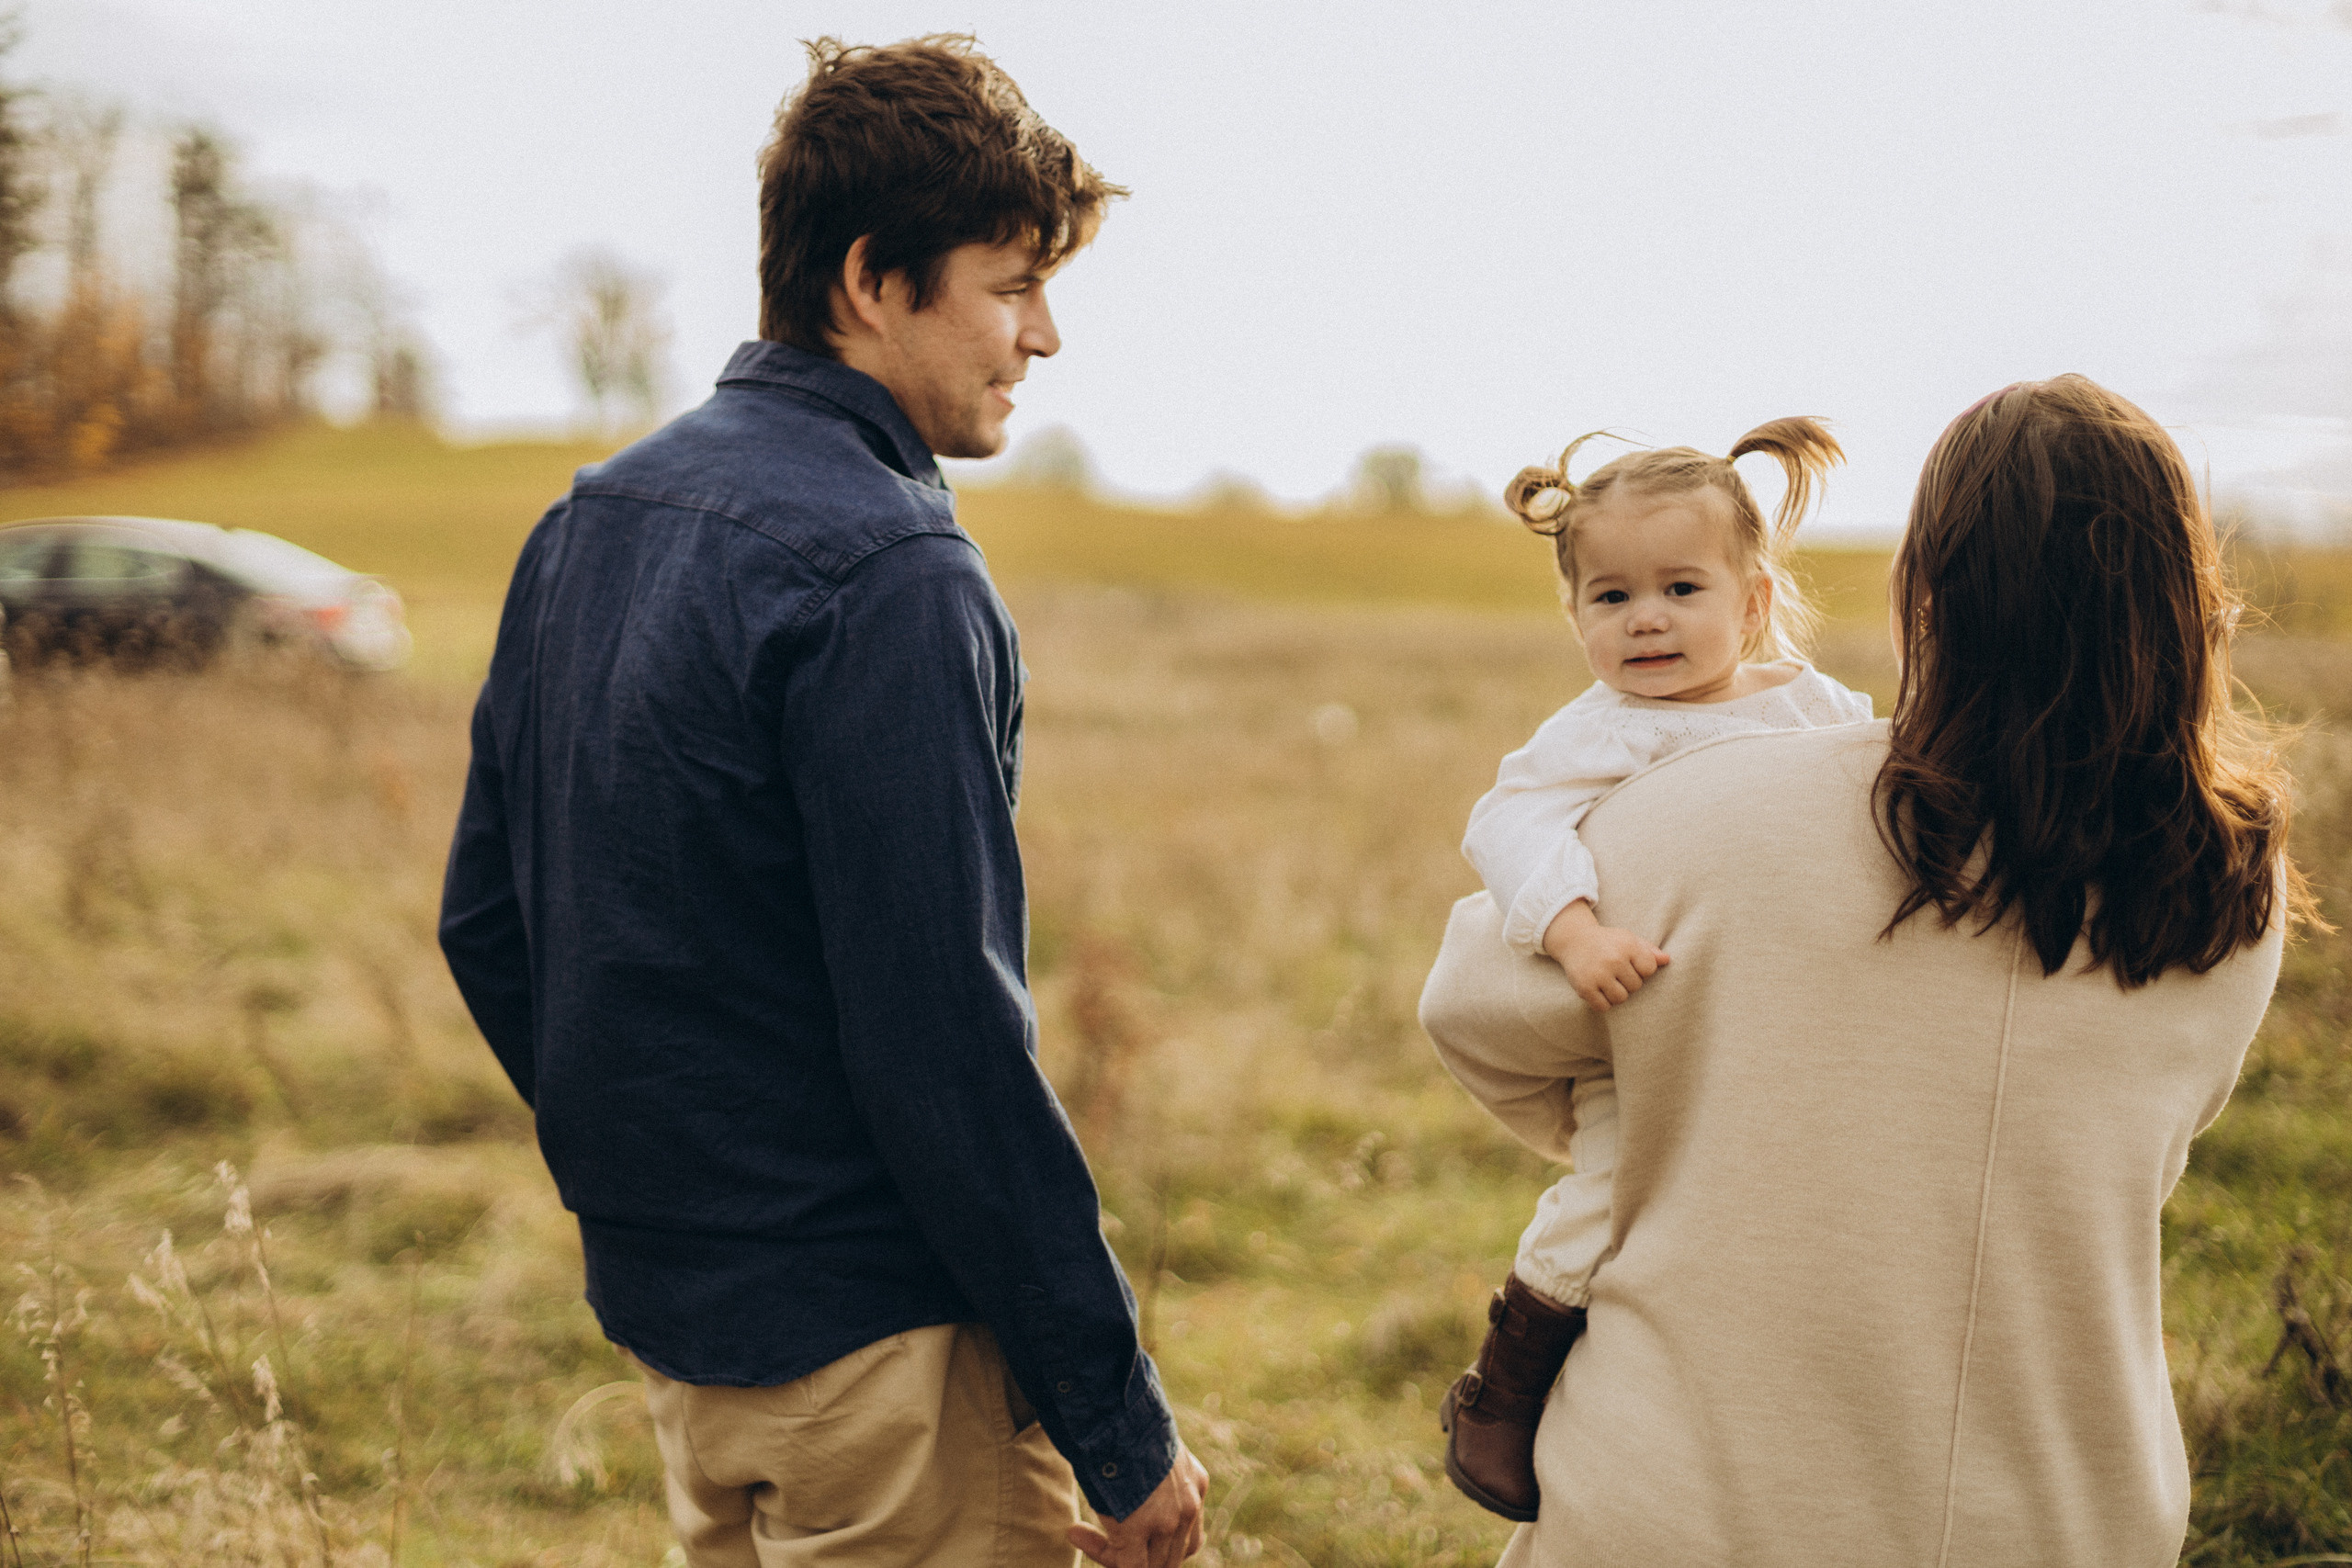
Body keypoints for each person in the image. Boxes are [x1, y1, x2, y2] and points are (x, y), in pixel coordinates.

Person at [438, 35, 1206, 1568]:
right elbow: (945, 1041)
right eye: (1010, 283)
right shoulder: (894, 573)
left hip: (688, 1341)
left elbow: (490, 924)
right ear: (872, 279)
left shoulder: (592, 518)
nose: (1044, 335)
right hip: (884, 1366)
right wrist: (1118, 1429)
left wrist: (678, 1200)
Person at [1420, 375, 2305, 1567]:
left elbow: (1474, 1009)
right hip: (2070, 1511)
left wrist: (1690, 1111)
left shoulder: (1705, 811)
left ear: (1925, 593)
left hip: (1698, 1495)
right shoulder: (2229, 887)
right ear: (2183, 598)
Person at [1439, 419, 1873, 1521]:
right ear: (1575, 615)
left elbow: (1864, 800)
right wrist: (1576, 931)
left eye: (1681, 588)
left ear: (1755, 602)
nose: (1646, 621)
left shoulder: (1811, 709)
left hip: (1778, 1017)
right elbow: (1509, 827)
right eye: (1611, 598)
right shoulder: (1603, 732)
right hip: (1636, 1025)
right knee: (1609, 1193)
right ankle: (1508, 1380)